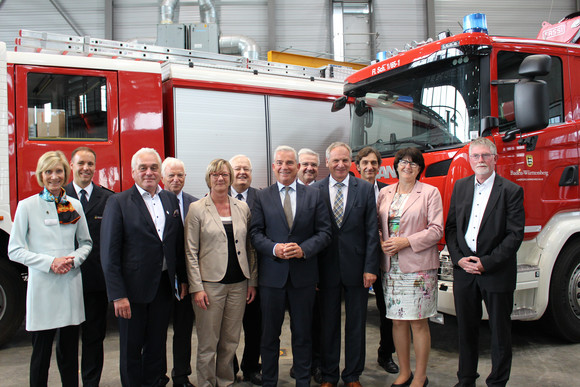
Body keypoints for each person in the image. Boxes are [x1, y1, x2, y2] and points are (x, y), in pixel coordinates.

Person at [101, 147, 186, 387]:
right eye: (143, 168)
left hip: (162, 287)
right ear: (133, 172)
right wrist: (118, 295)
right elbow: (109, 253)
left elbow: (175, 244)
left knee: (157, 345)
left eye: (154, 168)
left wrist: (182, 279)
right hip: (132, 292)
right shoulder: (118, 202)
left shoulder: (169, 199)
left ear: (160, 172)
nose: (149, 173)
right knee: (131, 348)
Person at [445, 138, 525, 387]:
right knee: (465, 330)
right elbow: (451, 227)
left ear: (495, 159)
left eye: (485, 156)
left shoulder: (511, 191)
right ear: (469, 160)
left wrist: (486, 263)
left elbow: (514, 235)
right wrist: (459, 260)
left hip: (495, 272)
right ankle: (466, 379)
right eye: (476, 156)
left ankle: (497, 382)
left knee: (500, 332)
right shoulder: (460, 187)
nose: (480, 160)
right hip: (464, 272)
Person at [250, 145, 332, 387]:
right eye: (279, 163)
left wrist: (304, 249)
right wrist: (274, 248)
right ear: (274, 167)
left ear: (297, 166)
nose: (284, 167)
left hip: (303, 278)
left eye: (289, 163)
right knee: (269, 336)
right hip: (272, 278)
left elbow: (325, 232)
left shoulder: (314, 195)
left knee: (303, 334)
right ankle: (270, 381)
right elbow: (255, 234)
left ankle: (303, 381)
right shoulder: (262, 197)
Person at [8, 150, 92, 387]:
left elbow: (86, 243)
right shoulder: (27, 207)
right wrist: (49, 263)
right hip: (43, 288)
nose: (54, 177)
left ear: (66, 173)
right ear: (40, 175)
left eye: (58, 171)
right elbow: (14, 250)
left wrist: (73, 259)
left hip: (69, 285)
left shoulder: (74, 205)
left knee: (68, 355)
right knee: (41, 355)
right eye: (48, 172)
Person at [185, 158, 257, 387]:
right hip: (209, 286)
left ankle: (225, 380)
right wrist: (196, 287)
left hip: (238, 284)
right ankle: (206, 382)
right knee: (208, 341)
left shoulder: (241, 207)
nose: (220, 178)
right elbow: (190, 251)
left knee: (230, 340)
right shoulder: (197, 208)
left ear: (230, 178)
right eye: (215, 174)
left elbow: (250, 248)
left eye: (225, 174)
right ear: (209, 178)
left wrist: (252, 282)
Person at [312, 142, 379, 387]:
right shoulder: (315, 189)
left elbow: (372, 231)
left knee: (356, 325)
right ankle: (329, 375)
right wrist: (314, 272)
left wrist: (371, 267)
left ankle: (352, 375)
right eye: (336, 160)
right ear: (327, 162)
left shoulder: (363, 189)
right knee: (328, 325)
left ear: (351, 162)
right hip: (325, 270)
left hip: (358, 269)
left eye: (345, 160)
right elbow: (312, 231)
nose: (341, 165)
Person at [377, 147, 443, 387]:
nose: (407, 166)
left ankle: (421, 376)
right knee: (396, 320)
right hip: (391, 268)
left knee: (418, 321)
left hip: (419, 269)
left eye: (413, 163)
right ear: (396, 166)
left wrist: (406, 242)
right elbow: (377, 225)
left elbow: (436, 230)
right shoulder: (385, 193)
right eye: (403, 162)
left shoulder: (430, 193)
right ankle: (404, 372)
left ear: (419, 169)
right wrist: (381, 242)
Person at [64, 147, 113, 387]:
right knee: (68, 339)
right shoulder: (58, 197)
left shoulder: (109, 199)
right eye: (81, 163)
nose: (86, 168)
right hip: (65, 281)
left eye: (90, 163)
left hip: (96, 282)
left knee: (94, 337)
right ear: (71, 165)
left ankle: (91, 383)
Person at [354, 146, 399, 374]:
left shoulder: (389, 192)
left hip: (385, 262)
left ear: (379, 167)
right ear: (358, 166)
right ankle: (354, 363)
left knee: (386, 310)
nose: (370, 167)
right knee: (356, 314)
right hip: (359, 263)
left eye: (374, 163)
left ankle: (385, 355)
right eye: (365, 163)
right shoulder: (352, 191)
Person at [159, 157, 198, 387]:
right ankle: (157, 375)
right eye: (171, 175)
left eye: (180, 175)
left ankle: (181, 376)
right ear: (163, 178)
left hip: (187, 279)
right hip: (160, 278)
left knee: (183, 330)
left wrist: (186, 278)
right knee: (157, 331)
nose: (176, 179)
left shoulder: (195, 204)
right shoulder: (154, 202)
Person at [229, 154, 263, 386]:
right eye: (237, 169)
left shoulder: (263, 198)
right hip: (227, 276)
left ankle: (251, 368)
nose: (242, 172)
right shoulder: (215, 198)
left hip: (256, 275)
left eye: (246, 169)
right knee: (227, 329)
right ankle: (228, 370)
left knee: (255, 327)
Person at [293, 148, 322, 383]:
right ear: (296, 166)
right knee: (298, 325)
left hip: (317, 272)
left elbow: (325, 234)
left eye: (313, 165)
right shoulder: (285, 194)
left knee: (317, 323)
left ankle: (316, 363)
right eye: (305, 164)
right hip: (291, 275)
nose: (309, 168)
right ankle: (301, 364)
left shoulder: (321, 193)